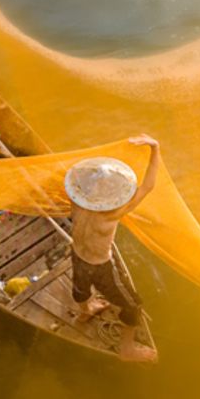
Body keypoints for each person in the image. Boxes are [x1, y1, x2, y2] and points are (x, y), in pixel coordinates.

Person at [63, 135, 160, 363]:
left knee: (80, 289)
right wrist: (155, 148)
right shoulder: (112, 213)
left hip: (77, 255)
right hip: (101, 267)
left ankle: (86, 311)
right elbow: (148, 186)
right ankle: (127, 350)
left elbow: (74, 176)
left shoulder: (76, 201)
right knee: (133, 306)